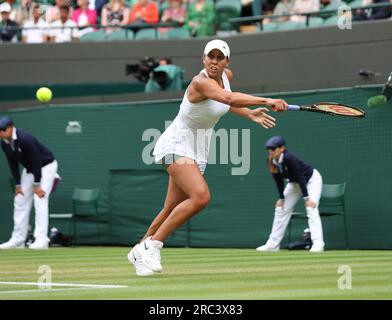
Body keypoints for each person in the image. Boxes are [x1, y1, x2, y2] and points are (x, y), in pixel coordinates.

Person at [127, 39, 289, 276]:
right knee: (201, 196)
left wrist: (249, 114)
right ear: (203, 59)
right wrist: (267, 100)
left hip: (197, 149)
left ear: (227, 61)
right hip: (176, 144)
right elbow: (229, 99)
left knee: (170, 207)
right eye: (210, 57)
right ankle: (154, 244)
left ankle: (139, 249)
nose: (214, 62)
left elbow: (225, 101)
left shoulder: (226, 77)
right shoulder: (199, 82)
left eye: (219, 57)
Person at [256, 136, 325, 253]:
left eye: (273, 148)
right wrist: (281, 198)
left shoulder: (289, 158)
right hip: (294, 183)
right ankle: (273, 245)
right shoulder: (271, 160)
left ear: (282, 148)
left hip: (311, 180)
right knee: (280, 209)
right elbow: (278, 180)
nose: (271, 151)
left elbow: (300, 177)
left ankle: (318, 244)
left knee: (311, 208)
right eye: (269, 149)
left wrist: (306, 198)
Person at [0, 117, 59, 249]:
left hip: (46, 166)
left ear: (11, 127)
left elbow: (36, 160)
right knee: (20, 200)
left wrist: (37, 185)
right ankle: (18, 240)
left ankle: (41, 239)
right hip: (30, 169)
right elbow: (12, 163)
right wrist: (17, 185)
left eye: (3, 129)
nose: (1, 133)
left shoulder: (24, 138)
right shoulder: (4, 143)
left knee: (40, 199)